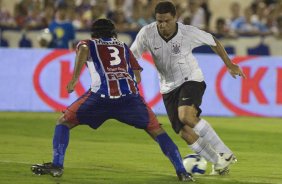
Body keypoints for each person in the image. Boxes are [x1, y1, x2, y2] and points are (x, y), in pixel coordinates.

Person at [31, 18, 194, 182]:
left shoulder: (88, 43)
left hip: (100, 98)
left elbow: (83, 49)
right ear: (113, 32)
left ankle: (57, 165)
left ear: (94, 33)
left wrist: (74, 79)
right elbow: (137, 77)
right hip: (129, 99)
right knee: (157, 131)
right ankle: (182, 172)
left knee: (63, 122)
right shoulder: (123, 47)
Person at [130, 1, 246, 175]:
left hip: (190, 78)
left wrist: (229, 64)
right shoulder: (147, 33)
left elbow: (212, 41)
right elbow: (132, 56)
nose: (162, 25)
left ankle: (225, 152)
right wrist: (135, 71)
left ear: (175, 18)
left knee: (186, 115)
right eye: (159, 21)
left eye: (166, 21)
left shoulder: (187, 32)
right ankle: (218, 163)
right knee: (184, 132)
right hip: (168, 87)